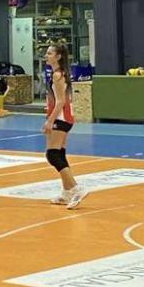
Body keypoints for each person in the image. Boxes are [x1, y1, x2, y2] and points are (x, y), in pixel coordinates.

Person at [43, 43, 87, 209]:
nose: (46, 56)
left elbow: (61, 101)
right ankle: (66, 192)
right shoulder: (60, 73)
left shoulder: (58, 75)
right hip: (65, 117)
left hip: (61, 118)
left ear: (58, 57)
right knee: (60, 153)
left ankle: (76, 188)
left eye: (49, 53)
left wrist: (50, 120)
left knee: (52, 155)